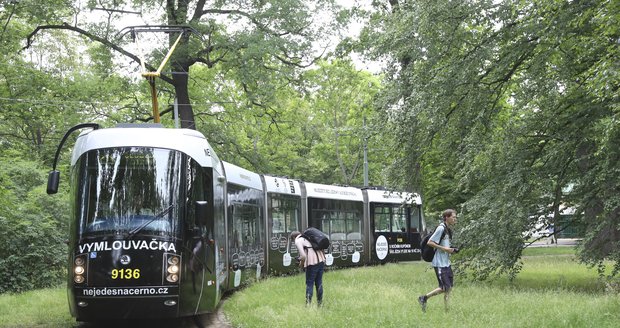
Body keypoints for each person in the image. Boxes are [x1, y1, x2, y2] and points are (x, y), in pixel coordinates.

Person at [418, 209, 458, 312]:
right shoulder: (441, 228)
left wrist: (451, 249)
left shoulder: (448, 230)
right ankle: (424, 298)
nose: (455, 219)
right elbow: (430, 242)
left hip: (446, 263)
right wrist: (445, 249)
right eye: (453, 217)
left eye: (455, 217)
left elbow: (445, 246)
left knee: (448, 288)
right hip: (439, 263)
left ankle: (446, 309)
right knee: (445, 287)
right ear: (446, 217)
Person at [291, 230, 326, 306]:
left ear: (293, 237)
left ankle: (308, 305)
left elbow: (303, 256)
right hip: (321, 260)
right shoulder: (308, 237)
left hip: (312, 263)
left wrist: (301, 264)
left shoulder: (298, 240)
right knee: (319, 282)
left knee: (309, 283)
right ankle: (319, 304)